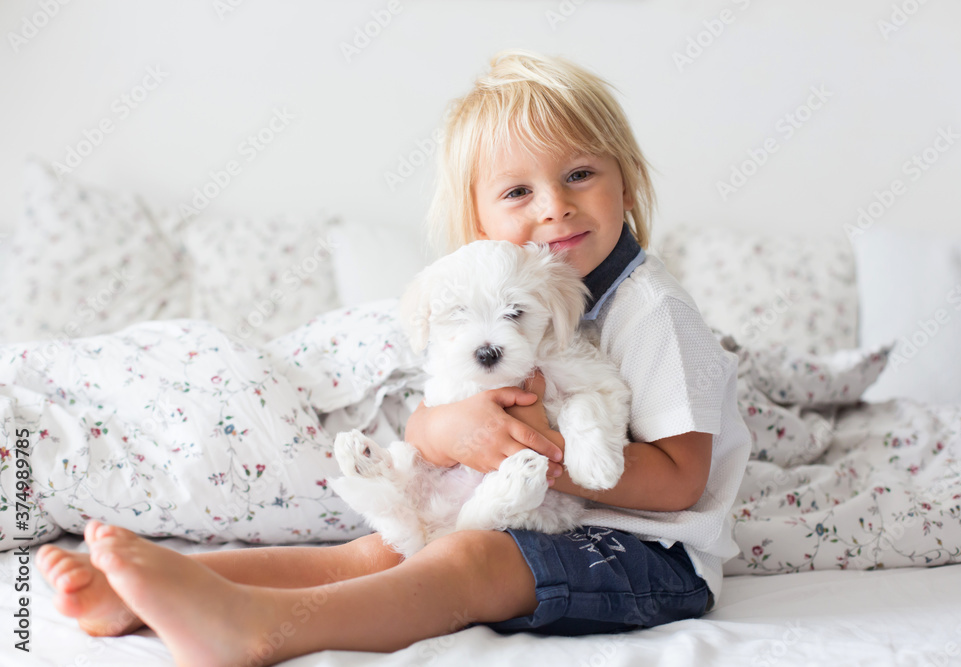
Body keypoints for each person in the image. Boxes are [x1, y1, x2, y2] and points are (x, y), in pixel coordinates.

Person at [36, 49, 752, 665]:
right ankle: (145, 592)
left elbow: (681, 479)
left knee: (465, 560)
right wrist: (449, 433)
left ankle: (252, 630)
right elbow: (429, 430)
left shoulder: (649, 308)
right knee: (373, 548)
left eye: (579, 175)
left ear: (624, 177)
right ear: (481, 222)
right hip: (527, 508)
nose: (554, 209)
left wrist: (550, 454)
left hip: (648, 556)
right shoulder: (499, 309)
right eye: (518, 191)